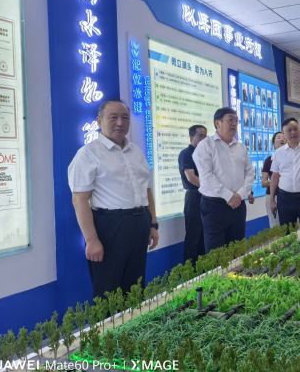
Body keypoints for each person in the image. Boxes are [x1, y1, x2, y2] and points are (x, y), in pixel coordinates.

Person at [68, 99, 159, 299]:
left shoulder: (136, 152)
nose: (120, 122)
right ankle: (109, 322)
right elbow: (79, 200)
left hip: (139, 223)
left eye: (125, 117)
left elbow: (147, 191)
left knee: (135, 286)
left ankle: (134, 320)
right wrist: (91, 240)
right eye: (113, 117)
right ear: (99, 121)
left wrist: (153, 224)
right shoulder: (88, 154)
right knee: (108, 292)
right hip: (110, 227)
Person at [193, 107, 255, 252]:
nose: (234, 124)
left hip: (238, 205)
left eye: (236, 121)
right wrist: (229, 196)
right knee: (216, 252)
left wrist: (239, 195)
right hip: (214, 206)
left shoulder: (241, 148)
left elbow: (250, 173)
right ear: (218, 123)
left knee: (238, 249)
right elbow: (206, 176)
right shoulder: (205, 146)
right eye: (230, 120)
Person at [178, 124, 207, 265]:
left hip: (206, 196)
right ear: (191, 137)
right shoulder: (186, 154)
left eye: (205, 136)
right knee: (193, 236)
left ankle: (204, 270)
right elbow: (191, 177)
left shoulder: (204, 154)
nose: (203, 139)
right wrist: (212, 188)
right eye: (200, 136)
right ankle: (191, 272)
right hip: (194, 197)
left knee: (204, 236)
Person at [262, 131, 286, 227]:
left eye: (284, 138)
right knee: (275, 225)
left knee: (292, 224)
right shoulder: (269, 160)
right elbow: (263, 183)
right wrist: (274, 182)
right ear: (273, 143)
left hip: (288, 195)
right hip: (273, 196)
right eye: (278, 137)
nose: (282, 139)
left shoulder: (291, 158)